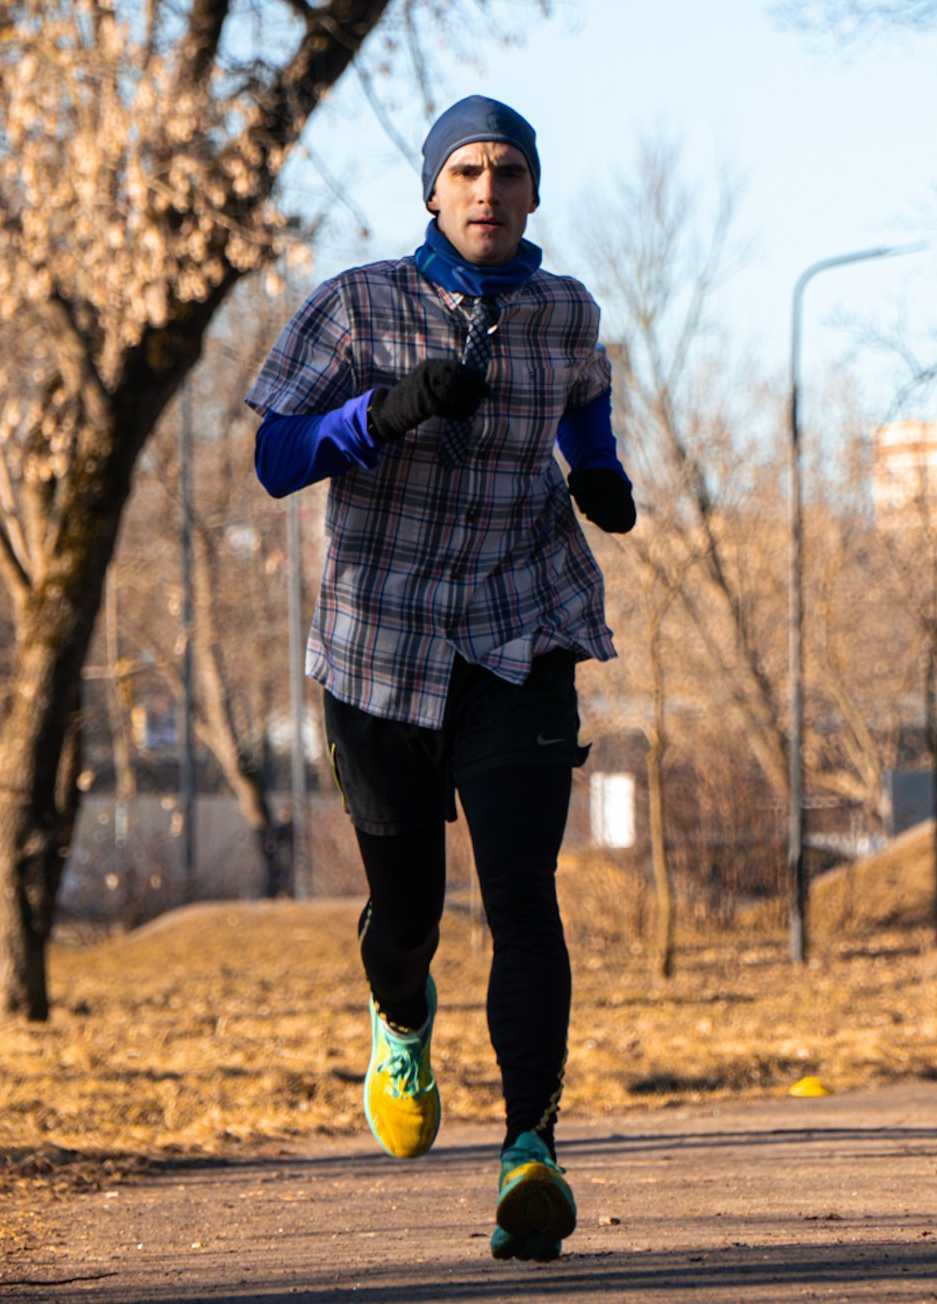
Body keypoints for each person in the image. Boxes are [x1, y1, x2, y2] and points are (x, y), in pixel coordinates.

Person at [245, 95, 635, 1262]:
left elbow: (586, 410)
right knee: (407, 909)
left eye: (506, 171)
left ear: (530, 193)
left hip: (522, 626)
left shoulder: (564, 310)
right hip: (379, 644)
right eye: (463, 170)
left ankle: (530, 1153)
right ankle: (400, 1011)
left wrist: (601, 475)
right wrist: (385, 409)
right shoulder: (353, 303)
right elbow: (273, 456)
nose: (484, 190)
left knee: (522, 890)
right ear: (430, 189)